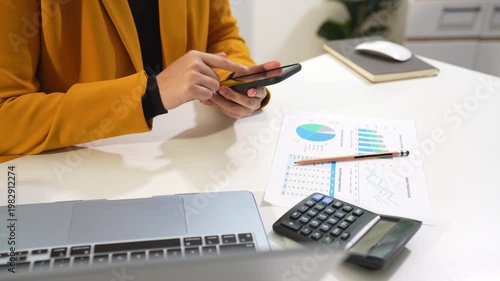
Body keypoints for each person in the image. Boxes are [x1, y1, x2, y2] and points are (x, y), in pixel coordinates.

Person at [0, 0, 280, 162]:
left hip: (189, 159)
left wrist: (234, 85)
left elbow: (220, 35)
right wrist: (148, 97)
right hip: (78, 178)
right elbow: (6, 116)